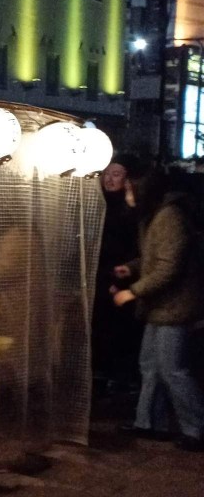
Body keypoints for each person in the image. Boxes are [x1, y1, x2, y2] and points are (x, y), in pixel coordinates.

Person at [113, 168, 204, 451]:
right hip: (160, 306)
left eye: (130, 188)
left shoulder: (168, 217)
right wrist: (133, 266)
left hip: (174, 306)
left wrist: (133, 291)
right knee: (151, 365)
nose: (126, 193)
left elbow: (169, 267)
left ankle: (196, 428)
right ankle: (149, 422)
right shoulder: (153, 217)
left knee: (172, 369)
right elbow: (157, 257)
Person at [92, 154, 142, 394]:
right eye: (106, 173)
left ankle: (120, 378)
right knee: (100, 329)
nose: (109, 179)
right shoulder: (98, 204)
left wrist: (117, 280)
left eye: (116, 174)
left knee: (120, 331)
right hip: (99, 277)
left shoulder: (131, 210)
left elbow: (134, 250)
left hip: (122, 279)